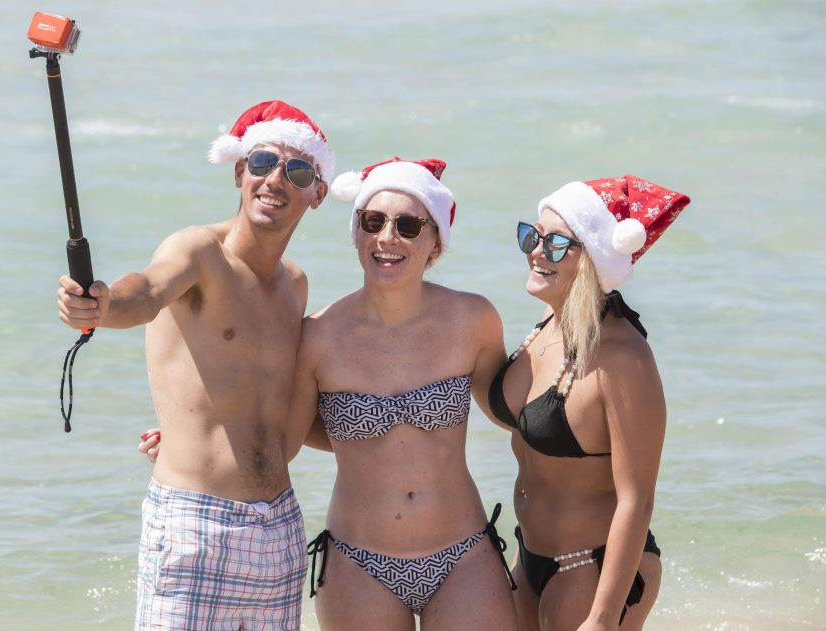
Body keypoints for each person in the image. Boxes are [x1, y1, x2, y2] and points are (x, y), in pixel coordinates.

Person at [58, 100, 334, 630]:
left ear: (317, 193)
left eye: (296, 171)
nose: (275, 179)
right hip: (193, 525)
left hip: (278, 529)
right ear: (238, 171)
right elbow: (148, 289)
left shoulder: (295, 285)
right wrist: (102, 302)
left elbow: (274, 406)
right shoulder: (197, 252)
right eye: (261, 164)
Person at [289, 157, 518, 630]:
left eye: (409, 226)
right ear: (357, 232)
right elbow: (283, 439)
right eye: (373, 222)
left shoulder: (473, 320)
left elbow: (514, 412)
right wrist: (197, 432)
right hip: (357, 560)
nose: (387, 238)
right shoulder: (318, 336)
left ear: (435, 244)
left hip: (464, 554)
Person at [481, 176, 690, 630]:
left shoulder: (622, 357)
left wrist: (602, 616)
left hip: (592, 569)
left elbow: (637, 499)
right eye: (532, 236)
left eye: (557, 244)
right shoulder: (547, 323)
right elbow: (521, 416)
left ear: (595, 258)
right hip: (529, 557)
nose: (537, 251)